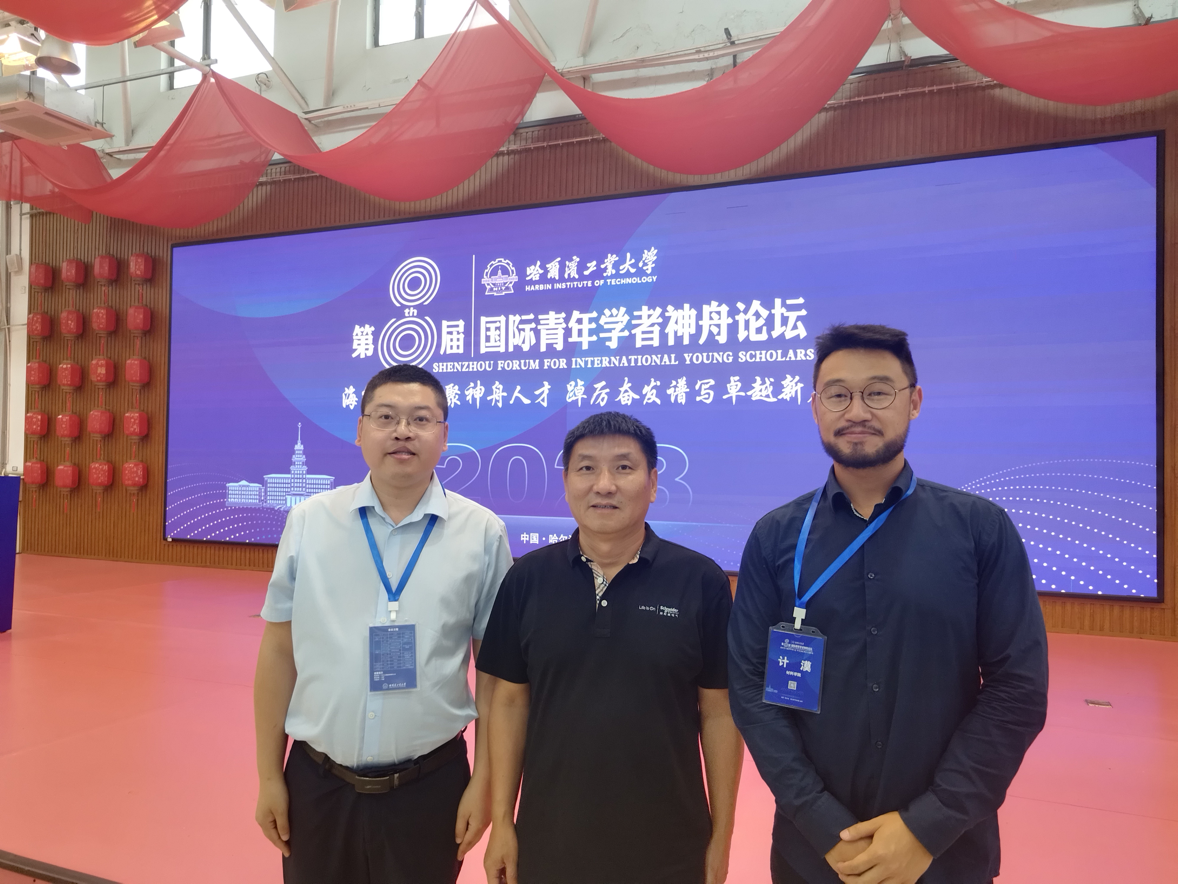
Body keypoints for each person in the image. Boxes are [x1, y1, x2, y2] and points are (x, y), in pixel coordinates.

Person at [728, 324, 1049, 884]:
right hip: (814, 855)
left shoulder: (980, 530)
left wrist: (927, 826)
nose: (857, 411)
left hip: (944, 854)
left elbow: (1016, 689)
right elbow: (752, 686)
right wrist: (822, 824)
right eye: (837, 394)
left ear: (914, 401)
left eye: (878, 392)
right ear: (815, 407)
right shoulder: (776, 536)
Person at [253, 363, 513, 884]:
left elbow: (494, 677)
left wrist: (484, 785)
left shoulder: (482, 533)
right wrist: (268, 777)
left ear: (444, 435)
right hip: (317, 784)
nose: (402, 431)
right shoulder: (309, 522)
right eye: (386, 417)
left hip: (430, 788)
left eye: (421, 419)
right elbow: (279, 652)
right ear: (360, 429)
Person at [478, 412, 744, 884]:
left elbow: (720, 712)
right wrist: (502, 822)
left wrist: (721, 836)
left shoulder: (700, 580)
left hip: (670, 845)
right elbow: (510, 702)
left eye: (623, 467)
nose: (604, 485)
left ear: (652, 482)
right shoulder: (527, 579)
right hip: (549, 839)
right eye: (586, 468)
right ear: (566, 482)